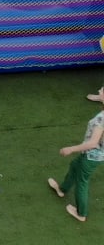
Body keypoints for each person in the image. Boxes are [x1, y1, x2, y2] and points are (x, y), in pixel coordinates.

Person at [48, 85, 104, 223]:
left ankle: (81, 213)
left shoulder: (101, 119)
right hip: (95, 155)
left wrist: (71, 149)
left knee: (82, 182)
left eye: (102, 90)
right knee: (74, 166)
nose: (99, 91)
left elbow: (93, 143)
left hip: (91, 156)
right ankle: (62, 189)